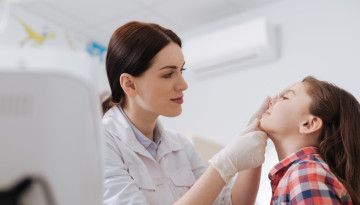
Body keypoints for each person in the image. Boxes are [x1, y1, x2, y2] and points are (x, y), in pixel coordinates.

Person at [101, 21, 269, 205]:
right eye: (168, 74)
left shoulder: (180, 145)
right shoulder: (101, 144)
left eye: (181, 71)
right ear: (130, 84)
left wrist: (253, 140)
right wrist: (222, 165)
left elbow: (230, 203)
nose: (183, 85)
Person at [259, 76, 360, 204]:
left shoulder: (305, 173)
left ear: (308, 124)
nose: (270, 101)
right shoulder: (302, 173)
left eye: (285, 98)